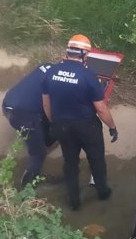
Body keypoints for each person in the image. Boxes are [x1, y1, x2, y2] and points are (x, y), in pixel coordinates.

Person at [42, 34, 119, 210]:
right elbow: (101, 109)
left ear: (68, 52)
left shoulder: (51, 72)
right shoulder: (88, 76)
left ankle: (73, 201)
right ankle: (103, 193)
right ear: (84, 54)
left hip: (62, 125)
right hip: (87, 127)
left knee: (70, 163)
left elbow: (46, 103)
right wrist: (112, 127)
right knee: (96, 159)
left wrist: (55, 122)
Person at [2, 62, 56, 186]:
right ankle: (27, 189)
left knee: (43, 122)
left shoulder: (47, 66)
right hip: (23, 115)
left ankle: (44, 140)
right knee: (38, 153)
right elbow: (49, 107)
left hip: (8, 104)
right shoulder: (59, 82)